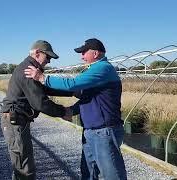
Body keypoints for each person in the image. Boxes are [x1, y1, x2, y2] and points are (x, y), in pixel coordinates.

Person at [24, 38, 127, 180]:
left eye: (84, 52)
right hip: (91, 131)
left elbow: (72, 84)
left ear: (95, 53)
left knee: (112, 174)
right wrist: (71, 111)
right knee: (88, 172)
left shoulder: (103, 69)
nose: (81, 56)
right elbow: (89, 99)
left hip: (104, 131)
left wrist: (42, 78)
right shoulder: (94, 70)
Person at [1, 40, 73, 180]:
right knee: (25, 168)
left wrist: (71, 92)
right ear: (37, 53)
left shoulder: (31, 68)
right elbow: (40, 102)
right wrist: (63, 112)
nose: (49, 61)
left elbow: (44, 89)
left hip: (18, 120)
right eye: (48, 57)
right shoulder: (28, 70)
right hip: (15, 121)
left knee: (22, 164)